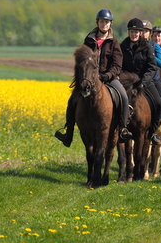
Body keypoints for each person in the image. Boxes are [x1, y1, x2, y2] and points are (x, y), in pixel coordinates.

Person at [54, 8, 132, 147]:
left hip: (109, 78)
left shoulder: (114, 43)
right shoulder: (89, 40)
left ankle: (123, 128)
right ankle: (68, 133)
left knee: (123, 97)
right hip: (90, 78)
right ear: (97, 22)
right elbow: (81, 61)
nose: (104, 24)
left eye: (107, 22)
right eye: (102, 21)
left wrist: (108, 75)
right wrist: (84, 77)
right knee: (72, 100)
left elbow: (117, 65)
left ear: (110, 24)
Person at [120, 18, 161, 144]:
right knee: (118, 100)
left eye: (136, 32)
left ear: (140, 33)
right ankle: (121, 129)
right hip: (128, 83)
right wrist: (124, 79)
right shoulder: (123, 46)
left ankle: (152, 132)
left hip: (144, 82)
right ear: (129, 32)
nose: (134, 34)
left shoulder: (148, 47)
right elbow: (120, 66)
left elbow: (152, 67)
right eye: (132, 32)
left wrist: (144, 81)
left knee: (159, 103)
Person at [142, 20, 161, 137]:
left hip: (154, 79)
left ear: (149, 33)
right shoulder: (133, 45)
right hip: (137, 79)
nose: (144, 33)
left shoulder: (155, 46)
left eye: (146, 31)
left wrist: (150, 56)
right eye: (142, 31)